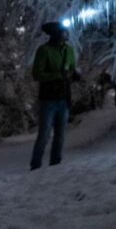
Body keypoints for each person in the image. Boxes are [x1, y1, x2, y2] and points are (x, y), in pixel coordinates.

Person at [30, 21, 78, 169]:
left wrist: (75, 74)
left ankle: (55, 165)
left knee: (60, 135)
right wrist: (58, 75)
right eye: (63, 32)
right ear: (56, 34)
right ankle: (36, 165)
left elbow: (72, 69)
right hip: (48, 99)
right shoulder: (44, 51)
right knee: (44, 135)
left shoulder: (69, 50)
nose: (66, 34)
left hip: (64, 98)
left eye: (66, 32)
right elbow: (37, 74)